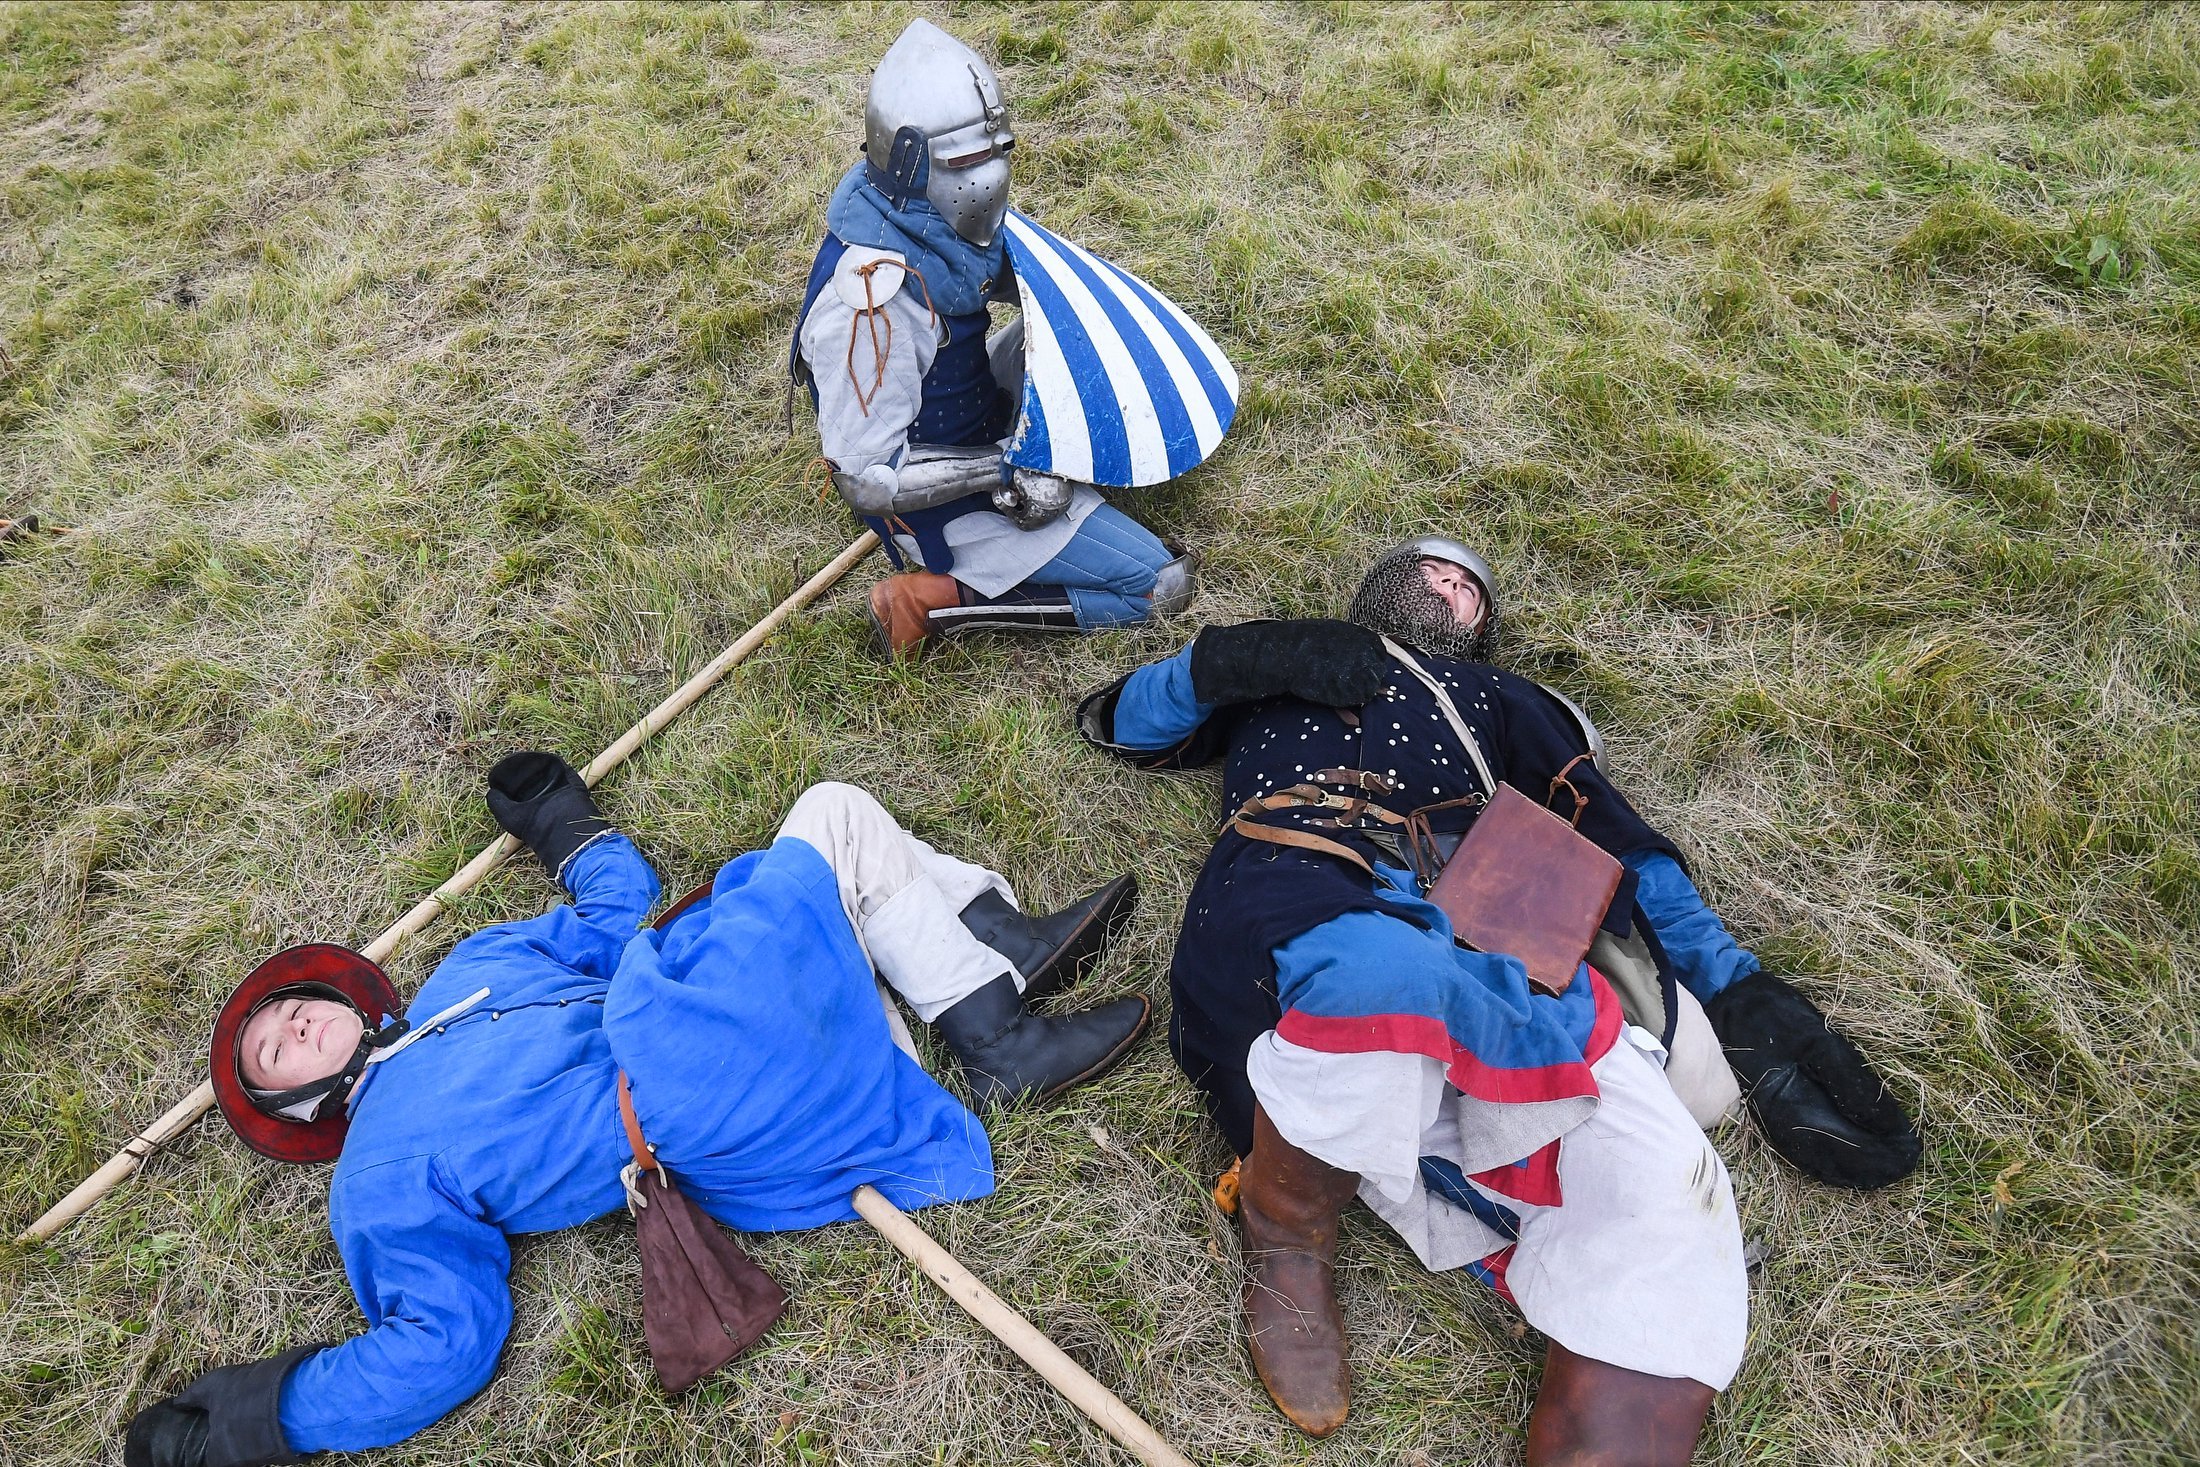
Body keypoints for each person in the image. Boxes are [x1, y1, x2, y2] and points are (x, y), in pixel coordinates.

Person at [1075, 536, 1922, 1460]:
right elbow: (1122, 723)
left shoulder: (1499, 697)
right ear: (1381, 581)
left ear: (1481, 631)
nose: (1450, 585)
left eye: (1468, 590)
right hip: (1296, 880)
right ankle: (1285, 1229)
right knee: (1384, 981)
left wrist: (1732, 980)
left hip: (1486, 928)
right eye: (1432, 572)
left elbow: (1617, 836)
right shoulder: (1282, 655)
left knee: (1670, 1183)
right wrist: (1229, 661)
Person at [124, 757, 1145, 1467]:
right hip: (701, 1096)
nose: (292, 1025)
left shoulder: (468, 969)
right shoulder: (374, 1178)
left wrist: (564, 824)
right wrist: (263, 1417)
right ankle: (997, 1032)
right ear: (300, 1107)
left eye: (294, 1007)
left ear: (344, 997)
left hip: (715, 1011)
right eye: (272, 1052)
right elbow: (440, 1341)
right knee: (829, 820)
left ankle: (994, 961)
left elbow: (615, 917)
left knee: (818, 835)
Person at [791, 19, 1236, 657]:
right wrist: (1007, 464)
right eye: (965, 162)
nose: (990, 175)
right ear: (913, 163)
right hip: (934, 495)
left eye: (996, 150)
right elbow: (869, 480)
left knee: (1058, 336)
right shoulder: (870, 305)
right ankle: (934, 599)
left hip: (971, 412)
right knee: (1161, 584)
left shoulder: (926, 221)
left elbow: (1033, 286)